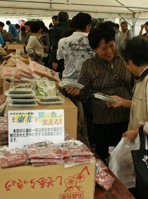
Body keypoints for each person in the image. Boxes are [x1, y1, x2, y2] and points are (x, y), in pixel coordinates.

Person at [106, 36, 148, 199]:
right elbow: (147, 107)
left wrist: (137, 131)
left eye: (125, 63)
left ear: (131, 61)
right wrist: (123, 102)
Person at [66, 23, 132, 161]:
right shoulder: (89, 65)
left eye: (111, 45)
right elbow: (83, 92)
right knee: (105, 156)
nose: (109, 51)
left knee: (127, 156)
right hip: (103, 121)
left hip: (127, 117)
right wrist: (77, 93)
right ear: (95, 49)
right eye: (103, 48)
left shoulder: (125, 58)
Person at [58, 12, 95, 147]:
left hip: (68, 82)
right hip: (88, 83)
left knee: (68, 115)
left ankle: (67, 142)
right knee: (90, 116)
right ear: (88, 25)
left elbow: (61, 58)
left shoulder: (64, 41)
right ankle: (92, 143)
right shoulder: (93, 40)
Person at [49, 11, 69, 77]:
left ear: (57, 20)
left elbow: (54, 46)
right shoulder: (72, 29)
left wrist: (54, 60)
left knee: (59, 77)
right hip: (70, 58)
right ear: (67, 19)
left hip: (59, 58)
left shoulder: (56, 30)